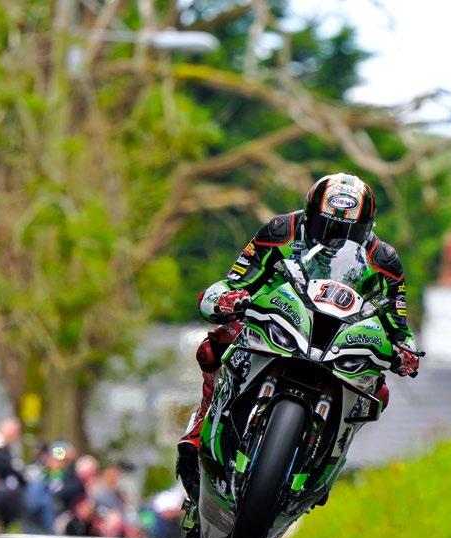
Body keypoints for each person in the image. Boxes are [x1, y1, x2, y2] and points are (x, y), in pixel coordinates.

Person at [176, 173, 421, 501]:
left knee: (379, 390)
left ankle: (329, 458)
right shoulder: (281, 231)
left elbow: (398, 324)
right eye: (326, 228)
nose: (336, 240)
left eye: (350, 234)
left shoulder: (384, 261)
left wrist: (405, 352)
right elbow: (240, 277)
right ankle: (197, 433)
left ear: (367, 228)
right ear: (310, 216)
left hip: (339, 338)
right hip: (279, 318)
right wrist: (228, 298)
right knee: (216, 344)